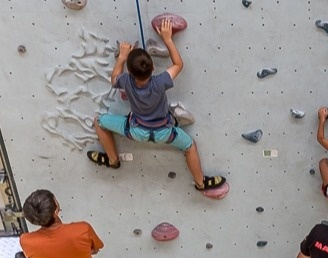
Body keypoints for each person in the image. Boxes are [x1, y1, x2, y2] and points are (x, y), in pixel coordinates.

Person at [88, 18, 226, 193]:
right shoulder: (160, 82)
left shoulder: (126, 81)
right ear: (153, 68)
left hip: (137, 131)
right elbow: (178, 64)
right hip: (164, 133)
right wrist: (168, 39)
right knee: (190, 146)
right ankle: (200, 183)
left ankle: (113, 160)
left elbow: (114, 78)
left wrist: (122, 57)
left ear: (130, 73)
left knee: (99, 121)